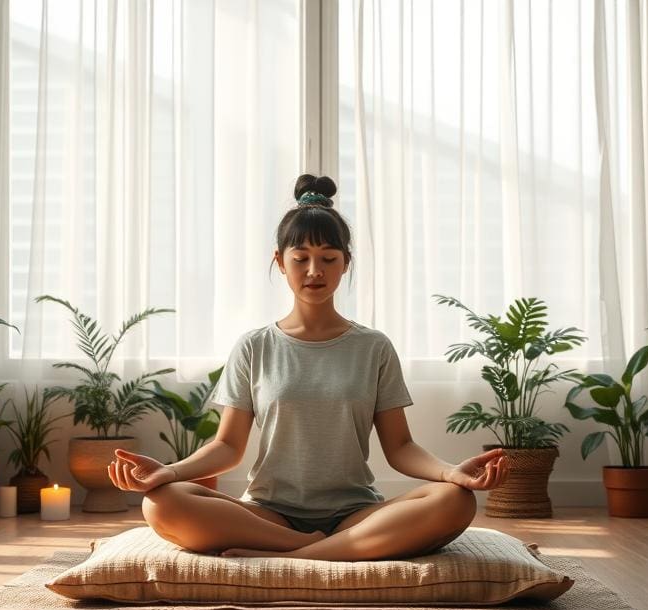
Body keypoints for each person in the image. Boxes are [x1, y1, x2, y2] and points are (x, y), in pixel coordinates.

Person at [108, 173, 509, 561]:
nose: (314, 271)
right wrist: (168, 472)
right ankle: (318, 549)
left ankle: (297, 555)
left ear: (346, 263)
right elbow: (227, 447)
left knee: (455, 501)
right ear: (280, 262)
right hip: (269, 514)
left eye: (328, 259)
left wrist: (452, 472)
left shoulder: (373, 347)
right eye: (301, 258)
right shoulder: (255, 346)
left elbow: (400, 448)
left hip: (354, 514)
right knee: (160, 504)